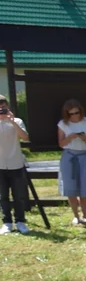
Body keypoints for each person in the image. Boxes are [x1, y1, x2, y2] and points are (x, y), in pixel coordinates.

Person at [57, 99, 86, 225]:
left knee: (85, 186)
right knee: (70, 187)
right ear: (67, 114)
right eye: (71, 114)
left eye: (77, 113)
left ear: (81, 111)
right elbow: (61, 144)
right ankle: (76, 216)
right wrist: (70, 137)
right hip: (69, 156)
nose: (75, 116)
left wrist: (84, 138)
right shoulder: (63, 124)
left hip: (84, 155)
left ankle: (85, 215)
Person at [0, 95, 30, 235]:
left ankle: (20, 221)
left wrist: (12, 121)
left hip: (15, 163)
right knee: (3, 196)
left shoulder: (17, 121)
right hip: (0, 165)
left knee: (18, 195)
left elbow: (25, 137)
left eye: (3, 107)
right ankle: (7, 222)